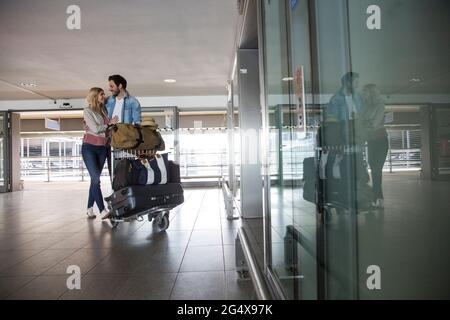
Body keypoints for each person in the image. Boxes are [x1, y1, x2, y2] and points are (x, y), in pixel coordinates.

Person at [82, 87, 118, 219]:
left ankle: (89, 209)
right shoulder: (87, 111)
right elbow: (96, 129)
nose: (103, 96)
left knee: (94, 180)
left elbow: (107, 132)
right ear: (95, 96)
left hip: (103, 148)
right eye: (101, 94)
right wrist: (109, 125)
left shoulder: (104, 111)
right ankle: (102, 210)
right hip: (89, 148)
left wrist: (113, 125)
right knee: (96, 179)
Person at [104, 75, 142, 177]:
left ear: (120, 86)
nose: (109, 89)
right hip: (110, 138)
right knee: (112, 169)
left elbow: (137, 123)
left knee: (127, 168)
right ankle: (115, 190)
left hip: (126, 139)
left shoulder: (133, 102)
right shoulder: (108, 101)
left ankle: (126, 191)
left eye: (112, 86)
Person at [362, 84, 388, 208]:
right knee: (374, 168)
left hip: (381, 140)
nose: (363, 94)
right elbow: (362, 122)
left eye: (365, 92)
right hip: (371, 141)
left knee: (377, 169)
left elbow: (374, 123)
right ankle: (377, 197)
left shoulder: (379, 105)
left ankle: (378, 197)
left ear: (371, 92)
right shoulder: (365, 106)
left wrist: (365, 123)